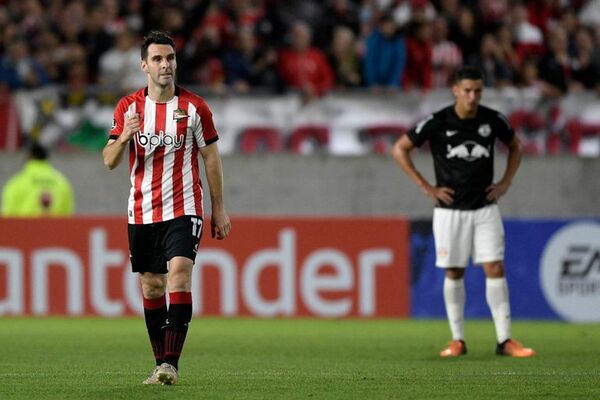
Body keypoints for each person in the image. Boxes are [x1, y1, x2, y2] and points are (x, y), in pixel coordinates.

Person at [102, 30, 231, 385]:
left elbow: (211, 158)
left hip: (184, 207)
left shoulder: (194, 108)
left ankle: (170, 364)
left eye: (170, 58)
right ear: (144, 65)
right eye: (157, 59)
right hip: (142, 211)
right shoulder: (128, 108)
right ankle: (160, 364)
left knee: (178, 274)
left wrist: (218, 207)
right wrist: (125, 137)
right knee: (152, 286)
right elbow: (109, 160)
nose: (165, 65)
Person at [391, 66, 535, 358]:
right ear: (455, 90)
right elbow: (399, 149)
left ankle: (505, 340)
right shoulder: (438, 121)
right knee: (454, 271)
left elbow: (516, 146)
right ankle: (457, 340)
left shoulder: (492, 120)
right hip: (449, 210)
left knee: (495, 267)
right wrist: (425, 186)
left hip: (484, 207)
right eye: (467, 90)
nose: (473, 96)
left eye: (478, 91)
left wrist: (505, 182)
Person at [1, 142, 74, 217]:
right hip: (54, 228)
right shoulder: (62, 182)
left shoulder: (17, 182)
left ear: (28, 157)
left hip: (24, 227)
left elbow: (8, 214)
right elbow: (67, 215)